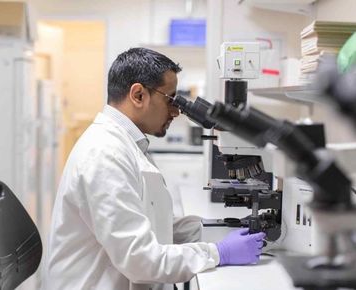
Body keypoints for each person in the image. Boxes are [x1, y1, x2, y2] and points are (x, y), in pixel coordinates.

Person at [42, 47, 265, 290]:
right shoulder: (104, 154)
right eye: (171, 99)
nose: (177, 111)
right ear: (138, 95)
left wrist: (218, 230)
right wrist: (219, 253)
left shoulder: (128, 143)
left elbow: (157, 226)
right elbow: (141, 262)